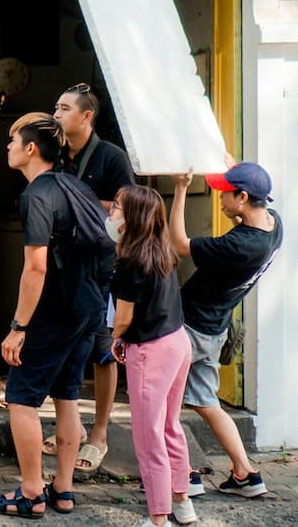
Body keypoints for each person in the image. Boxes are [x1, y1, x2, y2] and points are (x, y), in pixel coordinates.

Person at [0, 112, 103, 519]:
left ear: (31, 148)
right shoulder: (77, 187)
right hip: (88, 308)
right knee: (68, 397)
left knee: (21, 398)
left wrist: (18, 328)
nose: (8, 147)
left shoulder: (35, 195)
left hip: (53, 312)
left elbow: (36, 268)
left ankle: (31, 492)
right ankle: (63, 490)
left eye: (13, 140)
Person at [170, 161, 282, 498]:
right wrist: (229, 164)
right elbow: (244, 218)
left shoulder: (239, 246)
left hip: (190, 329)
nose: (219, 198)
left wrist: (179, 189)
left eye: (224, 193)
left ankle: (185, 475)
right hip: (214, 329)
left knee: (162, 401)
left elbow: (179, 244)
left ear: (244, 197)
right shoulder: (274, 225)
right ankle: (246, 473)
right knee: (206, 402)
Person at [50, 83, 136, 474]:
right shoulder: (55, 153)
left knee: (104, 350)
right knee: (63, 344)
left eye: (65, 108)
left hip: (102, 267)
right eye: (56, 107)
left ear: (87, 117)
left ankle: (100, 432)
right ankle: (71, 426)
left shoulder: (111, 157)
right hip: (62, 264)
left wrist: (79, 199)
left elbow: (129, 210)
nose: (57, 114)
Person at [107, 185, 197, 526]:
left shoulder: (130, 261)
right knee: (171, 426)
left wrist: (116, 339)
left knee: (148, 436)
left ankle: (158, 518)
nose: (111, 212)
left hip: (151, 352)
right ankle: (182, 502)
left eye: (116, 207)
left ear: (132, 219)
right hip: (177, 342)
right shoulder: (161, 252)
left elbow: (124, 317)